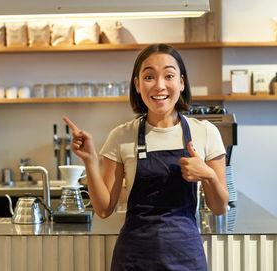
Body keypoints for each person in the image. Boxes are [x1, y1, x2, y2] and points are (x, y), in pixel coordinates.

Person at [63, 43, 229, 270]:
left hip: (186, 257)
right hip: (133, 259)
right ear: (138, 85)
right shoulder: (121, 136)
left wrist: (208, 176)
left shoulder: (206, 132)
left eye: (169, 75)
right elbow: (103, 209)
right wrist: (89, 160)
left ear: (181, 82)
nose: (159, 85)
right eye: (149, 76)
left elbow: (220, 207)